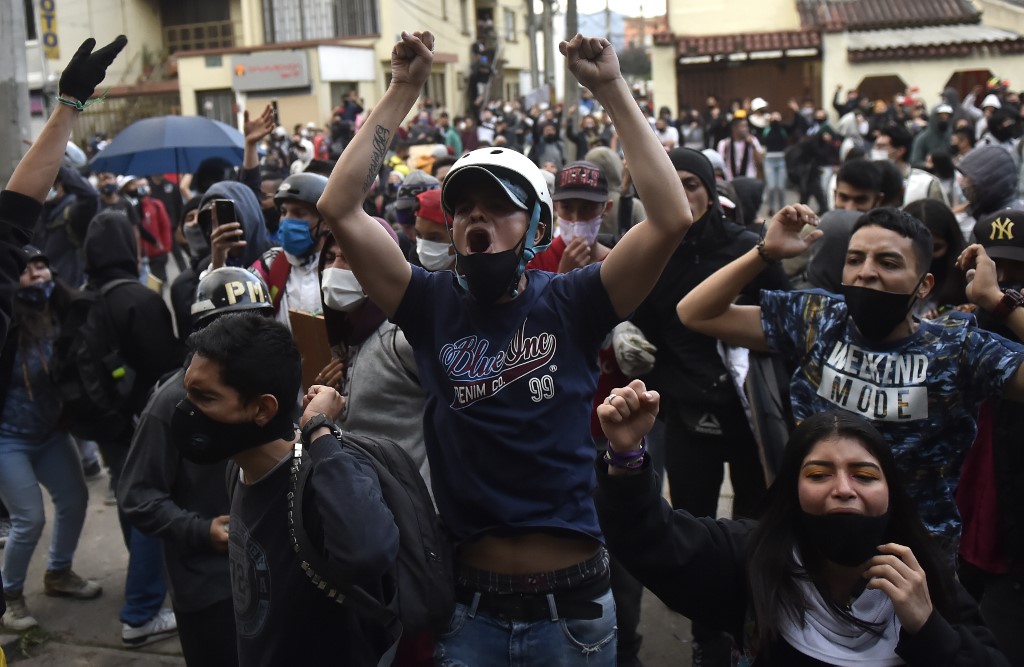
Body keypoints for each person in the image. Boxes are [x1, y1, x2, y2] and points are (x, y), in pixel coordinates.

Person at [318, 31, 693, 665]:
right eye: (464, 208)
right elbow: (341, 207)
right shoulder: (429, 307)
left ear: (538, 228)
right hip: (469, 609)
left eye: (500, 207)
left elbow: (670, 219)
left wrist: (609, 87)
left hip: (572, 610)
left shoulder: (575, 302)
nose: (475, 219)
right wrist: (402, 90)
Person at [677, 205, 1024, 558]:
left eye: (888, 263)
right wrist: (764, 252)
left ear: (924, 286)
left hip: (912, 559)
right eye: (855, 259)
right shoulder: (818, 319)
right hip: (811, 544)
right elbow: (695, 312)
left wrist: (997, 302)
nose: (866, 273)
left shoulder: (955, 349)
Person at [594, 385, 1010, 666]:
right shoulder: (752, 560)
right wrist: (626, 456)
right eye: (818, 474)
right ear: (792, 491)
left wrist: (927, 626)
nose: (843, 489)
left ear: (891, 493)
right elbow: (649, 536)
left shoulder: (920, 579)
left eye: (865, 475)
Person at [170, 313, 400, 665]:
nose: (187, 410)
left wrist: (320, 432)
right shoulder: (239, 467)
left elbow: (369, 553)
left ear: (262, 409)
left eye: (204, 397)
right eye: (188, 392)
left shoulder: (318, 482)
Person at [120, 268, 274, 665]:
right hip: (208, 589)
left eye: (256, 325)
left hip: (270, 576)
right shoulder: (170, 403)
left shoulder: (269, 389)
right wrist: (201, 530)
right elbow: (137, 495)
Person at [82, 209, 185, 647]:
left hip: (105, 424)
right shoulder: (139, 300)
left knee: (129, 500)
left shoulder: (83, 296)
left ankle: (144, 586)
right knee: (149, 507)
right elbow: (166, 367)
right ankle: (142, 611)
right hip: (141, 422)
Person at [0, 246, 103, 631]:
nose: (38, 275)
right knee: (29, 518)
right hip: (8, 439)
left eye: (42, 266)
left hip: (50, 433)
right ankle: (10, 597)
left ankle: (58, 573)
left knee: (75, 500)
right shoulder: (6, 323)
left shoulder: (62, 311)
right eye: (27, 270)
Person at [243, 173, 329, 327]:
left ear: (325, 222)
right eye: (283, 212)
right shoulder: (269, 264)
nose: (287, 220)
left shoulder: (342, 265)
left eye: (299, 213)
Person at [528, 160, 613, 273]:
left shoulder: (616, 262)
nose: (576, 220)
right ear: (555, 207)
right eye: (567, 208)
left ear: (606, 208)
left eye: (588, 208)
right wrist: (563, 278)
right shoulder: (537, 258)